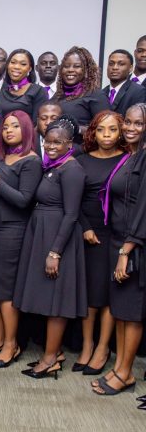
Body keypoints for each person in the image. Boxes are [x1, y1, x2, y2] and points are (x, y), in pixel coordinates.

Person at [14, 117, 87, 379]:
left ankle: (50, 359)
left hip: (58, 239)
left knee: (57, 303)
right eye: (48, 141)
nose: (51, 146)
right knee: (48, 299)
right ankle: (53, 353)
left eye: (58, 142)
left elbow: (71, 214)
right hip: (43, 234)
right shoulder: (53, 167)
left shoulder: (72, 170)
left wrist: (55, 252)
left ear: (69, 144)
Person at [0, 111, 42, 367]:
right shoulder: (0, 155)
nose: (9, 131)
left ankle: (11, 344)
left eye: (15, 126)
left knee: (5, 292)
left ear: (26, 129)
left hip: (13, 231)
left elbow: (24, 200)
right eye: (5, 127)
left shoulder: (31, 160)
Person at [92, 103, 146, 397]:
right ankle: (120, 368)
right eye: (129, 122)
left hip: (134, 245)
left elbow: (143, 209)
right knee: (121, 310)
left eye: (139, 124)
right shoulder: (130, 156)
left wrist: (126, 251)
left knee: (132, 312)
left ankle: (125, 372)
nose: (131, 128)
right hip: (118, 241)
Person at [73, 111, 126, 374]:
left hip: (114, 233)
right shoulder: (80, 159)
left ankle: (103, 348)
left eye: (113, 129)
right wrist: (85, 227)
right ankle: (87, 345)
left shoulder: (128, 160)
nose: (107, 135)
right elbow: (72, 199)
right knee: (88, 294)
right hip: (87, 232)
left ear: (121, 132)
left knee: (107, 295)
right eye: (101, 130)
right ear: (93, 132)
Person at [54, 46, 110, 138]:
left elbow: (106, 129)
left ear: (86, 70)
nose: (70, 70)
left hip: (81, 146)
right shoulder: (58, 95)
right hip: (56, 145)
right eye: (66, 66)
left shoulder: (96, 95)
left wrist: (78, 129)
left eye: (77, 66)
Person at [0, 49, 48, 122]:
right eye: (13, 62)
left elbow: (39, 123)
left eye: (23, 64)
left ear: (30, 69)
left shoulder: (38, 91)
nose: (16, 67)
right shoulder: (0, 94)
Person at [103, 49, 146, 116]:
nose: (115, 67)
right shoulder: (102, 92)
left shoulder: (139, 91)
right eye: (111, 64)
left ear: (130, 68)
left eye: (121, 64)